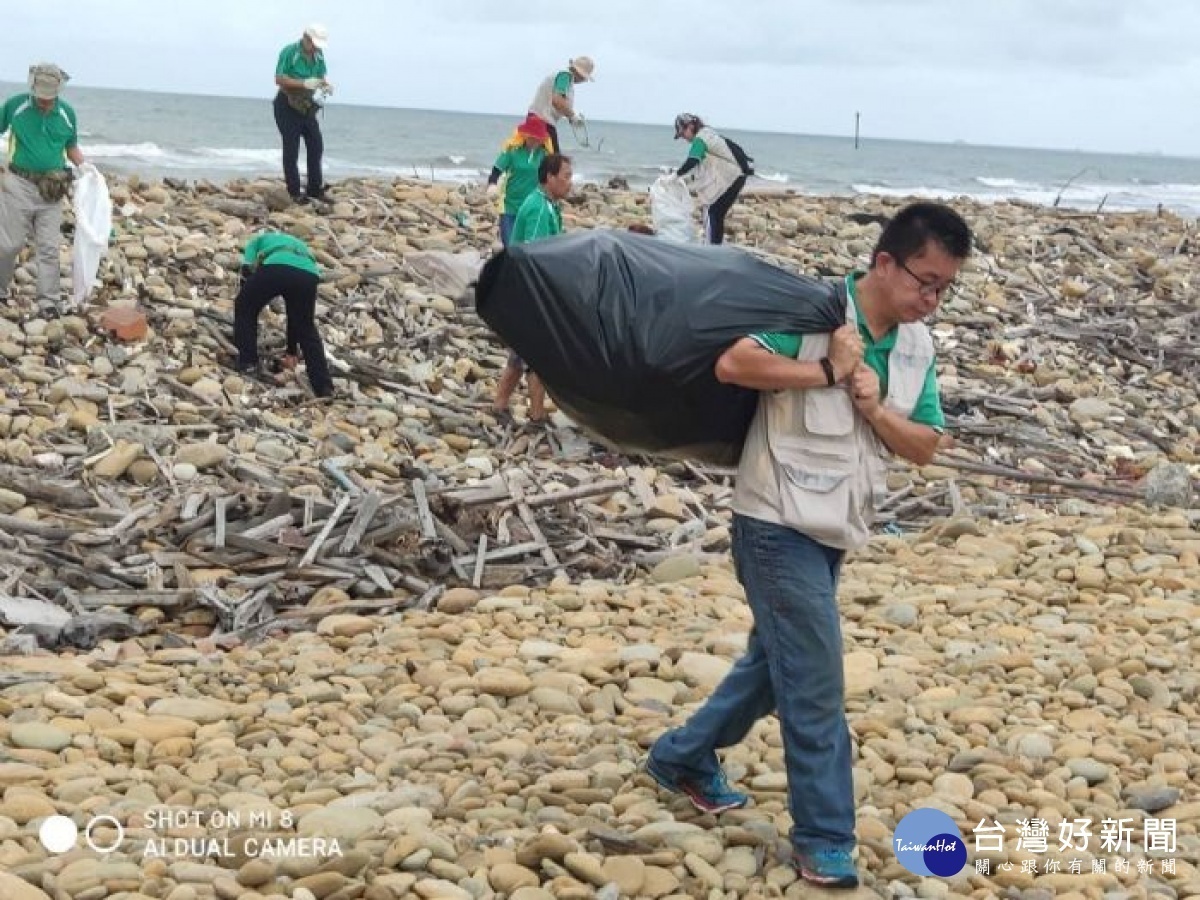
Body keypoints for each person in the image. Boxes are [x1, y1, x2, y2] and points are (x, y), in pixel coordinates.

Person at [645, 202, 972, 890]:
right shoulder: (813, 312)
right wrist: (827, 371)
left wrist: (875, 406)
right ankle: (826, 837)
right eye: (925, 281)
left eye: (944, 287)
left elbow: (926, 445)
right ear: (885, 263)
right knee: (816, 682)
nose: (931, 299)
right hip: (773, 522)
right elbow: (735, 364)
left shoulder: (916, 348)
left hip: (835, 531)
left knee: (776, 664)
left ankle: (681, 757)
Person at [0, 63, 90, 313]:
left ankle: (48, 301)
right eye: (41, 96)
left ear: (59, 91)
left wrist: (86, 167)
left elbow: (71, 147)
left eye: (49, 97)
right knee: (9, 244)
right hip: (18, 184)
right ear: (33, 88)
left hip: (52, 189)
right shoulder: (15, 106)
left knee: (49, 248)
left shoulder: (67, 114)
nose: (44, 101)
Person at [493, 153, 573, 423]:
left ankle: (500, 404)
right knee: (538, 357)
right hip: (530, 293)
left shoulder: (549, 204)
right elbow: (535, 256)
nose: (569, 183)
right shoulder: (539, 208)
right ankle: (537, 416)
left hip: (526, 291)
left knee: (520, 355)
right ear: (549, 177)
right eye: (566, 177)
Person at [233, 231, 334, 398]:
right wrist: (291, 351)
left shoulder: (258, 240)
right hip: (308, 274)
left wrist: (248, 284)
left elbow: (246, 269)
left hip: (277, 267)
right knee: (306, 327)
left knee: (244, 306)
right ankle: (324, 386)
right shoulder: (298, 244)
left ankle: (247, 362)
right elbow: (293, 319)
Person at [672, 113, 752, 245]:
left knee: (712, 212)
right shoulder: (709, 135)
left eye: (683, 133)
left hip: (733, 178)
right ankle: (716, 247)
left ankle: (711, 249)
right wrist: (686, 180)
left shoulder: (701, 139)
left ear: (690, 126)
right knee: (717, 214)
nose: (684, 138)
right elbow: (703, 170)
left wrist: (675, 175)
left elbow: (692, 160)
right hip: (738, 177)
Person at [274, 24, 332, 205]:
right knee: (291, 149)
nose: (315, 48)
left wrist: (325, 85)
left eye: (318, 45)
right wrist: (304, 83)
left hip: (306, 107)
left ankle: (315, 189)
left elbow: (321, 78)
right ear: (305, 38)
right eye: (313, 43)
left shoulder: (319, 55)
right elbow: (279, 79)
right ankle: (294, 192)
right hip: (286, 105)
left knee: (316, 145)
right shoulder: (290, 52)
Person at [486, 115, 551, 247]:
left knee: (529, 247)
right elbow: (496, 171)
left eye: (538, 139)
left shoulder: (544, 156)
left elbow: (549, 179)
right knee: (510, 246)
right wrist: (492, 185)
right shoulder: (512, 152)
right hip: (509, 205)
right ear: (525, 135)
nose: (534, 141)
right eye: (532, 137)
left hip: (532, 207)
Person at [527, 57, 594, 154]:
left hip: (539, 119)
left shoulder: (564, 78)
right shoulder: (565, 76)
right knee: (554, 161)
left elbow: (559, 102)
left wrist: (570, 117)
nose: (584, 80)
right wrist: (573, 115)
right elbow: (557, 100)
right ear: (579, 73)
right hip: (541, 121)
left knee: (543, 158)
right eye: (584, 77)